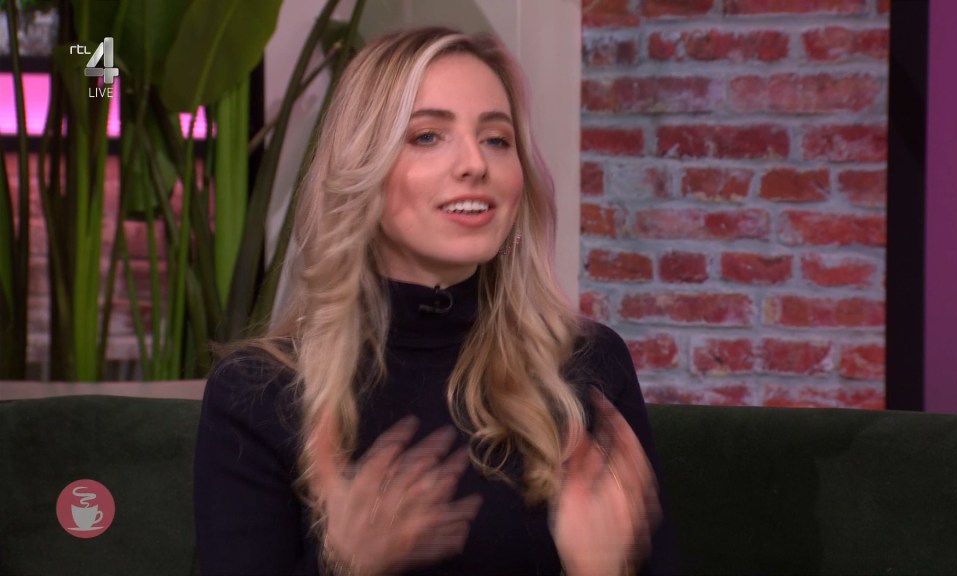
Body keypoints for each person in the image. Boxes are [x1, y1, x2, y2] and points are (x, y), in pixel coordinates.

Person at [194, 26, 682, 575]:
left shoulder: (588, 364)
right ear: (362, 170)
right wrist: (346, 567)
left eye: (497, 139)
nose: (476, 163)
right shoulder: (258, 393)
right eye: (428, 136)